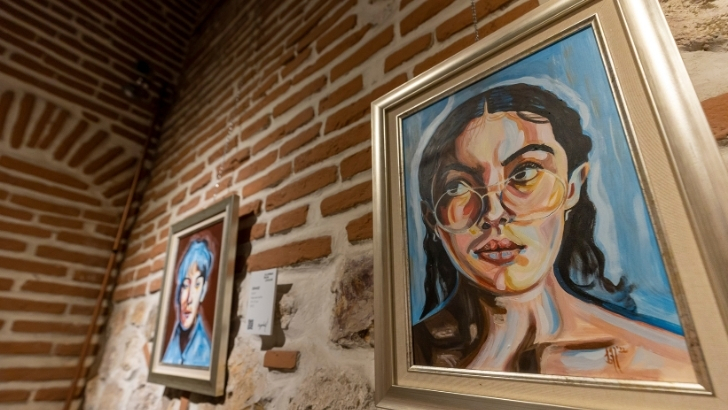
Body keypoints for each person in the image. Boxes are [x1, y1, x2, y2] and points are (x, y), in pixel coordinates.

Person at [411, 83, 696, 382]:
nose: (493, 213)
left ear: (572, 187)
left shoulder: (663, 362)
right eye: (457, 187)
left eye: (524, 173)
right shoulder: (406, 358)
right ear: (432, 219)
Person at [162, 239, 213, 367]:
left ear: (203, 291)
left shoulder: (206, 353)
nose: (189, 299)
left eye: (197, 285)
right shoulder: (171, 345)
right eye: (185, 285)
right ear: (178, 291)